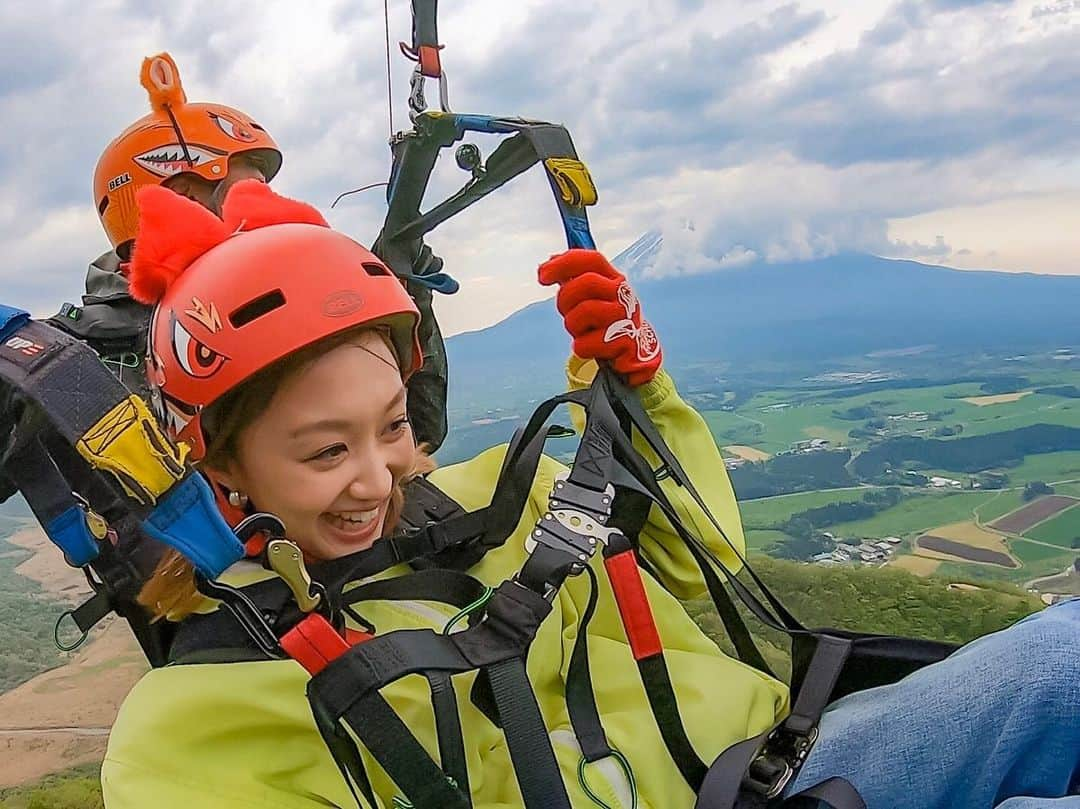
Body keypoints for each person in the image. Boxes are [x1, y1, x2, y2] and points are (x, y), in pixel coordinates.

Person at [98, 181, 1078, 809]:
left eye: (394, 424)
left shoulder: (486, 499)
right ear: (217, 463)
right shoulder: (192, 728)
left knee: (1065, 650)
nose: (381, 475)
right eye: (324, 452)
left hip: (791, 756)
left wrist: (640, 388)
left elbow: (701, 569)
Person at [46, 51, 280, 398]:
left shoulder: (266, 302)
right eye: (252, 191)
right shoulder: (65, 365)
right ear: (184, 200)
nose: (271, 208)